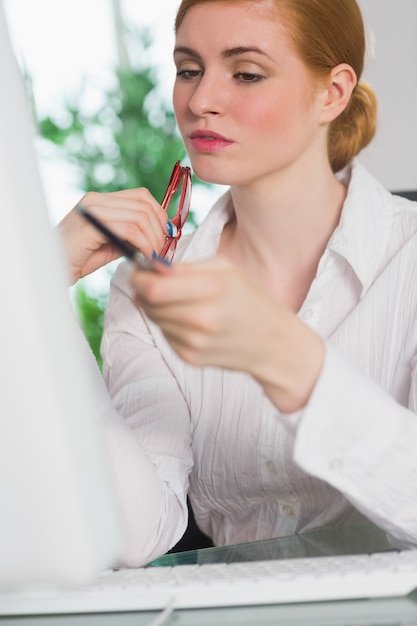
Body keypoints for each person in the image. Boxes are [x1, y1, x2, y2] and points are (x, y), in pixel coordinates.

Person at [59, 0, 417, 567]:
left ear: (333, 92)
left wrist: (288, 361)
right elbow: (134, 533)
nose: (201, 102)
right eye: (188, 69)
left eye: (246, 73)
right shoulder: (148, 287)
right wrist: (37, 292)